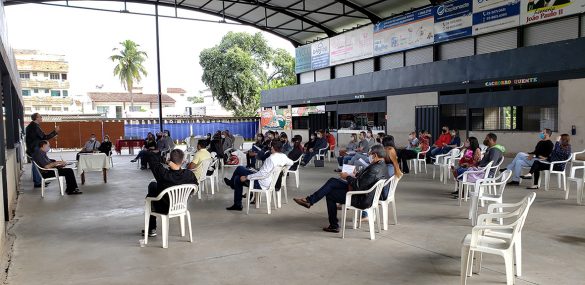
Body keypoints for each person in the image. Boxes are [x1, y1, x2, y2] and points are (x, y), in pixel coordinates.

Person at [293, 145, 388, 233]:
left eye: (370, 155)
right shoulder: (381, 165)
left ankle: (333, 224)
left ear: (375, 155)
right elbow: (366, 180)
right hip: (364, 193)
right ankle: (309, 200)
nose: (369, 157)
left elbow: (359, 185)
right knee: (332, 181)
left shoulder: (374, 169)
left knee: (330, 194)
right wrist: (356, 175)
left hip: (361, 198)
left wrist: (347, 177)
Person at [223, 140, 293, 211]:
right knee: (237, 178)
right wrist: (284, 170)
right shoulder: (283, 156)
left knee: (239, 169)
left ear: (272, 147)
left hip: (261, 183)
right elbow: (291, 163)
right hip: (270, 181)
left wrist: (247, 177)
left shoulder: (271, 159)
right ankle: (237, 203)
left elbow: (262, 174)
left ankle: (232, 187)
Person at [143, 149, 197, 237]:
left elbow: (151, 158)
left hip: (164, 207)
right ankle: (151, 228)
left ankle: (151, 228)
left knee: (152, 186)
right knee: (153, 186)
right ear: (183, 161)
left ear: (170, 160)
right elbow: (194, 188)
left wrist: (166, 160)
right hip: (181, 205)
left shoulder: (163, 174)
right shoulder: (189, 174)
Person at [25, 113, 59, 188]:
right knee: (36, 166)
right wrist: (55, 132)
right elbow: (44, 137)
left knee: (36, 165)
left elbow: (41, 137)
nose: (41, 118)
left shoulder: (33, 126)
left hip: (32, 148)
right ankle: (38, 182)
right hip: (34, 148)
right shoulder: (34, 127)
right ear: (36, 118)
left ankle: (39, 180)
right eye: (40, 117)